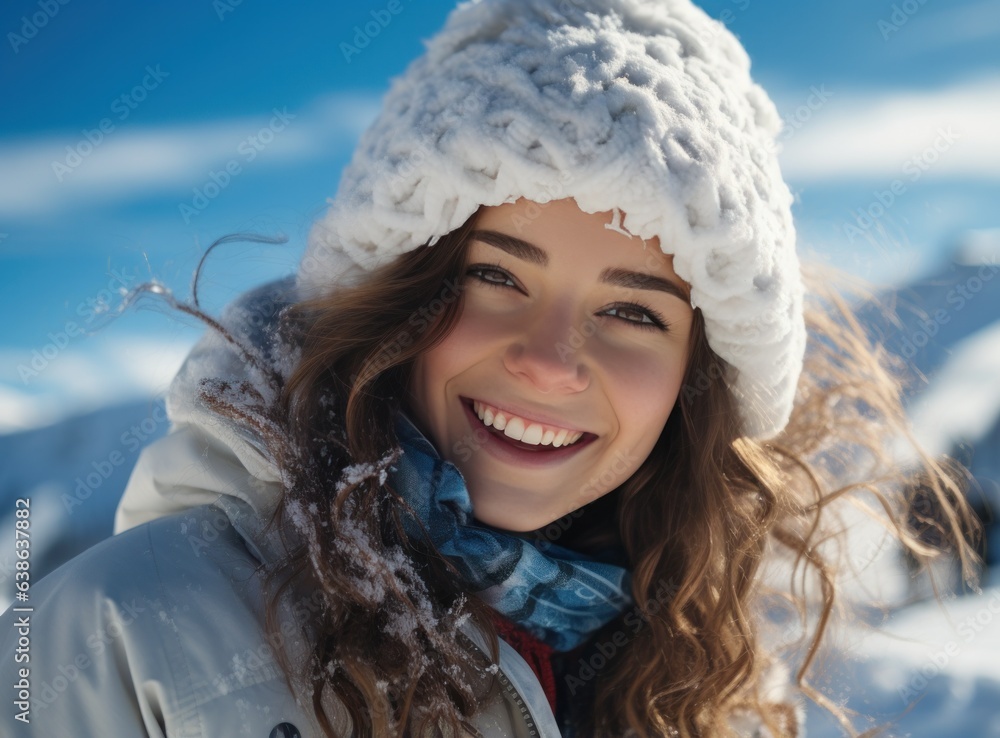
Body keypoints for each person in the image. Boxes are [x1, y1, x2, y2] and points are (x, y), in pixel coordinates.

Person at [0, 0, 981, 736]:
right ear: (402, 296)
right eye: (497, 279)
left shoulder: (706, 676)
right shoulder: (121, 635)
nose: (553, 361)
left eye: (633, 310)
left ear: (699, 377)